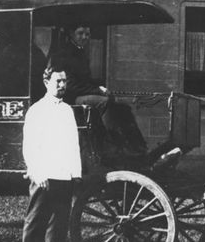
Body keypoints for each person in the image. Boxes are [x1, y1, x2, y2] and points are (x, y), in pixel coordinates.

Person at [19, 65, 82, 242]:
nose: (63, 85)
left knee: (59, 223)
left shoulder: (66, 110)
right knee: (36, 221)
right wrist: (38, 172)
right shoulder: (37, 110)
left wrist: (76, 172)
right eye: (58, 81)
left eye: (64, 81)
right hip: (44, 175)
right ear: (46, 83)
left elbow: (73, 144)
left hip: (64, 175)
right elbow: (30, 146)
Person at [49, 24, 147, 157]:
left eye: (87, 34)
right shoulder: (65, 54)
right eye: (80, 33)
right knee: (104, 102)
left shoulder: (80, 52)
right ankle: (111, 146)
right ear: (71, 34)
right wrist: (97, 90)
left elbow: (86, 80)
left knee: (123, 108)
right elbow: (70, 85)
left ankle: (138, 147)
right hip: (71, 97)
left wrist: (100, 88)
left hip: (81, 94)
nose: (85, 37)